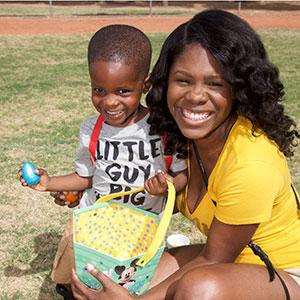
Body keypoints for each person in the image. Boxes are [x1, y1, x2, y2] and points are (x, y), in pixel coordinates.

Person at [70, 9, 300, 300]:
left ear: (239, 88)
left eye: (215, 83)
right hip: (226, 260)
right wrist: (86, 190)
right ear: (165, 83)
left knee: (199, 291)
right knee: (126, 275)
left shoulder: (251, 164)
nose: (195, 96)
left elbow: (215, 261)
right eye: (183, 80)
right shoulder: (185, 138)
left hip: (282, 272)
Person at [19, 24, 187, 299]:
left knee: (127, 287)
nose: (109, 102)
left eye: (122, 91)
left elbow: (182, 176)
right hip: (94, 231)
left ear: (144, 85)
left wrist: (167, 186)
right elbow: (86, 177)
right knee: (81, 287)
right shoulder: (91, 130)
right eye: (99, 90)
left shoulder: (162, 128)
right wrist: (49, 183)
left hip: (140, 234)